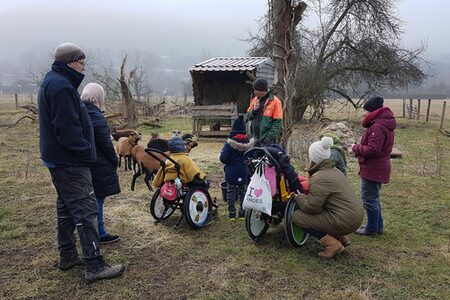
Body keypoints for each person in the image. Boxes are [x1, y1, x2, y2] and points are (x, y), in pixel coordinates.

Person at [38, 43, 124, 283]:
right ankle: (95, 265)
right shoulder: (62, 86)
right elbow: (67, 129)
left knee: (66, 209)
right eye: (82, 64)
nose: (84, 69)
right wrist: (87, 152)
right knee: (86, 213)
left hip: (59, 160)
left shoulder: (53, 81)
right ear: (70, 63)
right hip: (70, 162)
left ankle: (67, 255)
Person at [292, 137, 364, 258]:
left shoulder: (320, 178)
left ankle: (332, 245)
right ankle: (341, 237)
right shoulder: (334, 171)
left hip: (345, 220)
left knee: (297, 217)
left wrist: (298, 197)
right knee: (328, 209)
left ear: (313, 158)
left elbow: (312, 207)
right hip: (355, 215)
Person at [80, 83, 121, 244]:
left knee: (84, 199)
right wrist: (114, 159)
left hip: (81, 163)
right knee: (97, 198)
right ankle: (100, 232)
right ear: (98, 98)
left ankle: (88, 231)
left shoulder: (78, 111)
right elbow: (105, 142)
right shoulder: (95, 115)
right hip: (98, 163)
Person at [351, 96, 397, 236]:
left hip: (374, 168)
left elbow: (373, 150)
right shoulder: (384, 124)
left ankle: (371, 229)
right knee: (374, 198)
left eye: (366, 111)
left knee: (369, 199)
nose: (364, 114)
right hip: (378, 167)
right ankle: (377, 226)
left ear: (372, 111)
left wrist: (356, 148)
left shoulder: (376, 127)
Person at [219, 115, 255, 220]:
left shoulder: (229, 144)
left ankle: (232, 214)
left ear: (234, 129)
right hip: (244, 171)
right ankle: (242, 213)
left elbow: (223, 158)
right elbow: (252, 157)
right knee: (243, 191)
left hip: (231, 172)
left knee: (230, 192)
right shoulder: (249, 143)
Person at [246, 79, 283, 146]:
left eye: (255, 90)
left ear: (262, 91)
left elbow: (277, 122)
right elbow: (247, 117)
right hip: (254, 138)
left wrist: (268, 137)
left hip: (267, 140)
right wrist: (254, 110)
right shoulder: (255, 100)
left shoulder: (275, 102)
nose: (254, 92)